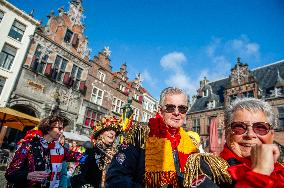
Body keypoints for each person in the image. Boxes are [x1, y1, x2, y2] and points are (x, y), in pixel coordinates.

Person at [106, 87, 199, 187]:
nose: (177, 113)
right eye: (170, 108)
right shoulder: (141, 134)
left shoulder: (190, 144)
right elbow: (117, 177)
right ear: (160, 110)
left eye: (182, 108)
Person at [184, 97, 284, 187]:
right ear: (227, 133)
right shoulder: (208, 168)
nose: (250, 135)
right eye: (239, 127)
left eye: (261, 127)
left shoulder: (281, 171)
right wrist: (260, 174)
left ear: (271, 134)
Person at [5, 115, 81, 188]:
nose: (62, 132)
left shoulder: (59, 148)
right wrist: (27, 175)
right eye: (59, 128)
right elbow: (10, 174)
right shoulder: (28, 145)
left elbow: (76, 156)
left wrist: (90, 154)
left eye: (62, 129)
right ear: (48, 129)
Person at [71, 116, 120, 188]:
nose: (112, 133)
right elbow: (77, 176)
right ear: (100, 134)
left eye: (114, 131)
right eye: (108, 130)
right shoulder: (91, 151)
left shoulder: (117, 155)